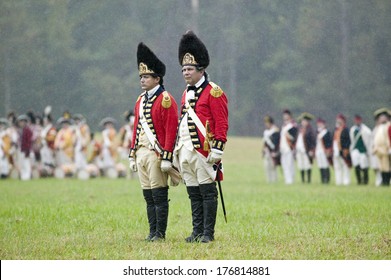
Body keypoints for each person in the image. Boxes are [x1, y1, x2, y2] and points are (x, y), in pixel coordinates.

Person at [175, 31, 229, 243]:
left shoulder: (214, 92)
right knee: (193, 193)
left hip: (204, 150)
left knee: (207, 192)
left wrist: (218, 148)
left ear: (201, 69)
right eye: (183, 69)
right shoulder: (185, 93)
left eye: (189, 69)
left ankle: (208, 233)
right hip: (186, 150)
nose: (185, 73)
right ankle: (196, 231)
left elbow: (221, 122)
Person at [128, 42, 178, 242]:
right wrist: (132, 153)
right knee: (148, 196)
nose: (142, 79)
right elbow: (136, 128)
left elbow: (170, 130)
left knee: (158, 195)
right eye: (141, 76)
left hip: (155, 154)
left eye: (146, 76)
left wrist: (166, 156)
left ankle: (160, 233)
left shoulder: (165, 99)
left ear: (157, 78)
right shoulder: (140, 100)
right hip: (141, 153)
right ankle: (152, 231)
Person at [349, 115, 372, 185]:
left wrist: (368, 150)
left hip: (363, 150)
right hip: (355, 149)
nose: (357, 121)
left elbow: (368, 141)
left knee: (364, 165)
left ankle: (365, 180)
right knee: (356, 165)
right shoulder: (353, 129)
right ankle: (359, 180)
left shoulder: (366, 130)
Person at [372, 108, 391, 186]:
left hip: (385, 149)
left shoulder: (388, 126)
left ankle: (386, 181)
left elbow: (388, 138)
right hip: (378, 150)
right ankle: (384, 181)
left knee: (387, 167)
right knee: (382, 167)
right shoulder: (378, 128)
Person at [296, 113, 316, 183]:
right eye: (302, 121)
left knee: (307, 165)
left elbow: (312, 141)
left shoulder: (310, 130)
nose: (303, 122)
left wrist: (311, 150)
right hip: (299, 150)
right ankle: (303, 180)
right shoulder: (300, 129)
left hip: (306, 150)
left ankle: (308, 180)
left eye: (304, 121)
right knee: (301, 165)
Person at [280, 109, 298, 185]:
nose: (285, 116)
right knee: (284, 164)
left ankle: (290, 180)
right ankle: (287, 179)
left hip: (289, 148)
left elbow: (294, 138)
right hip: (283, 148)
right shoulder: (284, 126)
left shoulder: (293, 126)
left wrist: (289, 136)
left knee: (289, 164)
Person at [333, 113, 351, 186]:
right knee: (337, 166)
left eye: (340, 120)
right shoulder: (336, 130)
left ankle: (346, 181)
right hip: (336, 150)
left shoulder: (346, 130)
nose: (338, 121)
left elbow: (348, 140)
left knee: (345, 166)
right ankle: (338, 181)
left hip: (343, 150)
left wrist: (346, 149)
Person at [262, 116, 280, 183]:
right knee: (267, 166)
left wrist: (275, 152)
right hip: (267, 151)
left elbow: (276, 143)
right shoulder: (266, 132)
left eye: (267, 123)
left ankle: (274, 180)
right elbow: (265, 143)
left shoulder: (275, 131)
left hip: (273, 152)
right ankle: (269, 180)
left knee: (273, 167)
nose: (266, 124)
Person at [40, 106, 57, 176]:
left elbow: (52, 138)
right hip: (44, 147)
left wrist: (45, 138)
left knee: (49, 160)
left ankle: (50, 172)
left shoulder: (52, 128)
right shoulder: (44, 129)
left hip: (49, 147)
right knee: (44, 160)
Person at [315, 118, 333, 184]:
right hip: (319, 151)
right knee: (320, 165)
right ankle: (322, 179)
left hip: (324, 151)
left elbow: (329, 142)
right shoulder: (317, 132)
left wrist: (328, 150)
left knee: (325, 165)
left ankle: (327, 179)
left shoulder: (326, 132)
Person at [16, 115, 33, 180]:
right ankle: (23, 176)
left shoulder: (27, 130)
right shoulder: (21, 130)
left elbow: (28, 142)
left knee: (26, 163)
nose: (20, 123)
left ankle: (27, 176)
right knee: (22, 163)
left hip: (26, 150)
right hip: (21, 149)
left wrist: (27, 150)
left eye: (22, 122)